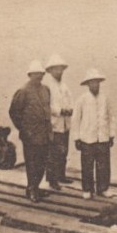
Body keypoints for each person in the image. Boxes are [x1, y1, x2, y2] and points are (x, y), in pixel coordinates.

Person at [9, 60, 52, 203]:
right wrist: (24, 129)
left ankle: (37, 187)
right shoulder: (23, 91)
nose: (38, 76)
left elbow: (47, 110)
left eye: (41, 74)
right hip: (30, 135)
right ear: (30, 75)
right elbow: (14, 112)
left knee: (42, 161)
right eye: (35, 74)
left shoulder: (46, 90)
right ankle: (31, 189)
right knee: (32, 162)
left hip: (45, 133)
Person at [71, 68, 115, 199]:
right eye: (92, 82)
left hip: (103, 137)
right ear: (88, 84)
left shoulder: (105, 98)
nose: (95, 85)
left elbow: (111, 117)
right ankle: (87, 189)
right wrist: (76, 138)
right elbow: (76, 119)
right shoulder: (82, 99)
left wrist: (111, 134)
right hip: (87, 138)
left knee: (104, 164)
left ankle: (103, 188)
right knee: (87, 165)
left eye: (97, 82)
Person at [43, 54, 74, 190]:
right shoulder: (47, 87)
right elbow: (46, 105)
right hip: (54, 124)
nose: (59, 72)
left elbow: (71, 101)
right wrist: (60, 111)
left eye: (61, 69)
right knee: (53, 152)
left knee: (64, 151)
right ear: (50, 71)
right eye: (56, 69)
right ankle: (52, 180)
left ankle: (61, 175)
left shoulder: (65, 86)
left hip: (65, 124)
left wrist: (71, 109)